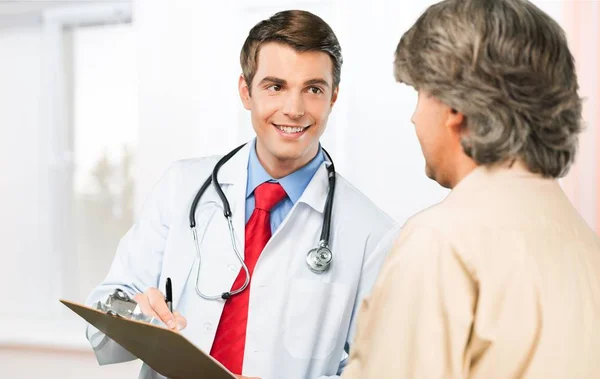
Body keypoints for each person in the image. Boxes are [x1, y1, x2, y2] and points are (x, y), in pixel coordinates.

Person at [85, 9, 398, 379]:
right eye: (275, 86)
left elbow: (381, 368)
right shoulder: (181, 187)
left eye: (313, 89)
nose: (294, 109)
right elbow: (106, 305)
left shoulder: (372, 234)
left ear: (333, 98)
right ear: (246, 92)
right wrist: (137, 318)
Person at [341, 0, 600, 378]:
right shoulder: (586, 246)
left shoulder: (441, 242)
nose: (414, 116)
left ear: (453, 106)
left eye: (419, 92)